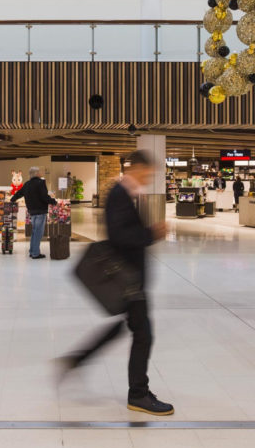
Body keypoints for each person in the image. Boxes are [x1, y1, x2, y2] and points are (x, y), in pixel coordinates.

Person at [59, 151, 172, 416]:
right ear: (138, 168)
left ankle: (77, 360)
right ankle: (138, 394)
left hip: (130, 278)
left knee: (126, 329)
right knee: (143, 335)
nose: (149, 178)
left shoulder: (125, 193)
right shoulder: (119, 194)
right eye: (149, 173)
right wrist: (152, 233)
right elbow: (119, 235)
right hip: (128, 278)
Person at [11, 166, 56, 259]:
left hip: (32, 211)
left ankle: (32, 251)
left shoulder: (27, 184)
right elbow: (44, 196)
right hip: (40, 211)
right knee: (38, 232)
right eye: (39, 172)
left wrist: (12, 199)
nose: (40, 173)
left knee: (34, 232)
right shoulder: (41, 183)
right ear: (36, 173)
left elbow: (19, 193)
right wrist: (53, 201)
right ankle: (35, 253)